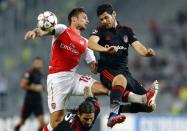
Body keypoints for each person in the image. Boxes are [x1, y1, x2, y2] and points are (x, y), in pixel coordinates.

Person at [24, 8, 109, 131]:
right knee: (56, 121)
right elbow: (44, 31)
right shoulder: (62, 29)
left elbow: (94, 68)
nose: (87, 20)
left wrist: (106, 58)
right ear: (74, 19)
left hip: (73, 78)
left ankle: (138, 99)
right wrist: (35, 32)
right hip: (57, 78)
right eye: (84, 17)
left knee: (104, 89)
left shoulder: (86, 43)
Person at [88, 3, 159, 128]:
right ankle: (112, 115)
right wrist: (105, 50)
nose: (104, 21)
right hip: (107, 71)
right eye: (101, 19)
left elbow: (138, 46)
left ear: (114, 14)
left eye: (106, 17)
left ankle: (119, 109)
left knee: (150, 107)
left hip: (125, 72)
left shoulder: (126, 30)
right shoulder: (100, 30)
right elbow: (91, 43)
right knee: (120, 79)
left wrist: (146, 52)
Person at [14, 57, 45, 131]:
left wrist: (44, 88)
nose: (39, 64)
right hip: (29, 101)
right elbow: (22, 84)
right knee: (22, 122)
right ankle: (15, 129)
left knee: (42, 123)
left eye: (40, 62)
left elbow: (41, 87)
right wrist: (34, 87)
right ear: (33, 63)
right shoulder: (29, 73)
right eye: (37, 62)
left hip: (38, 101)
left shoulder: (41, 74)